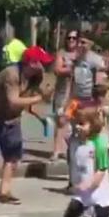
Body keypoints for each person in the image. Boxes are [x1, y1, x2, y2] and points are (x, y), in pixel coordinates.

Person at [0, 45, 54, 206]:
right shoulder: (11, 74)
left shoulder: (36, 76)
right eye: (41, 62)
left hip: (13, 115)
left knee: (13, 153)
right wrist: (40, 98)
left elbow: (30, 98)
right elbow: (14, 101)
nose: (43, 66)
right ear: (32, 63)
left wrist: (41, 113)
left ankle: (4, 191)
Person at [65, 36, 108, 194]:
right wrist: (67, 105)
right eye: (79, 42)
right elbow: (72, 83)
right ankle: (73, 180)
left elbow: (101, 86)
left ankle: (92, 180)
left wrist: (100, 105)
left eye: (84, 42)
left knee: (91, 142)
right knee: (72, 141)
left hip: (90, 103)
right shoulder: (74, 60)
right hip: (76, 103)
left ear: (91, 43)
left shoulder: (95, 60)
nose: (80, 45)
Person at [50, 30, 79, 161]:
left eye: (74, 38)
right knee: (61, 120)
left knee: (74, 121)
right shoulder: (61, 53)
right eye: (69, 38)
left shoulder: (81, 53)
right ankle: (57, 150)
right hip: (63, 93)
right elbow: (57, 70)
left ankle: (72, 150)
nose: (71, 40)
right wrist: (71, 69)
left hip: (76, 93)